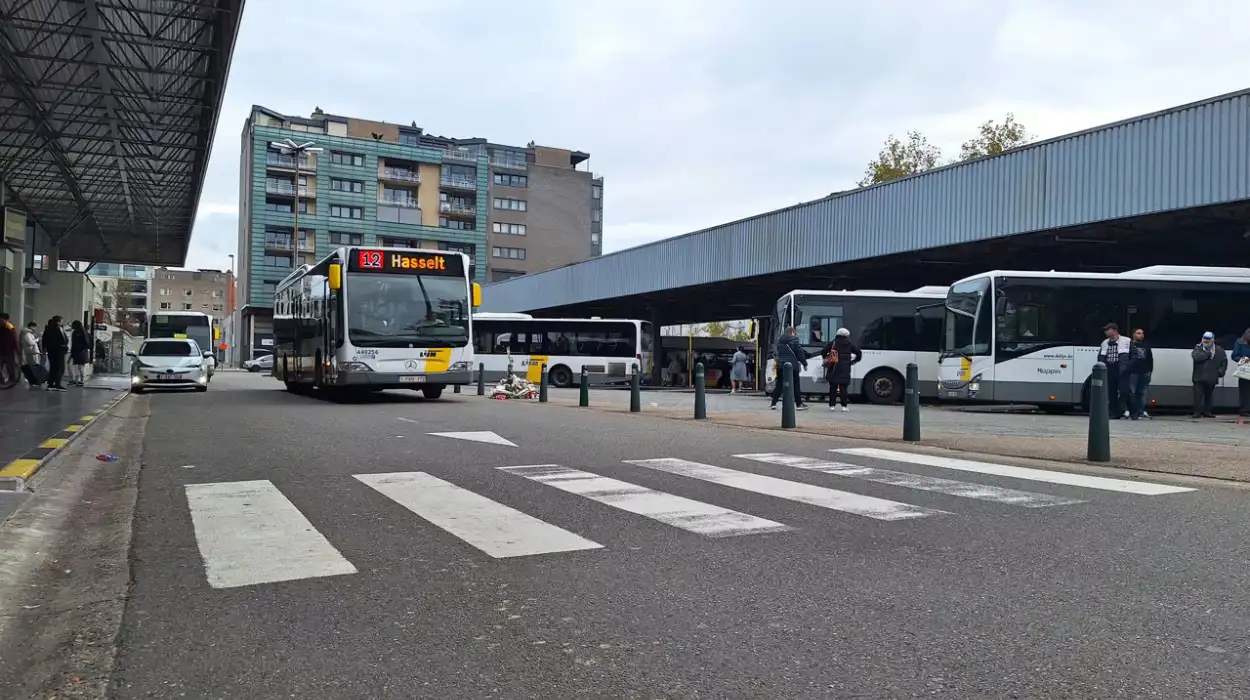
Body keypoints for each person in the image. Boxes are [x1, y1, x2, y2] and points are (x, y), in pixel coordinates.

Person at [821, 327, 862, 412]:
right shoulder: (849, 344)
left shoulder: (833, 343)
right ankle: (844, 406)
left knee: (833, 388)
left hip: (834, 367)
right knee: (843, 388)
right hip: (845, 368)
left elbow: (823, 351)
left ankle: (832, 406)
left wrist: (826, 357)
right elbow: (859, 352)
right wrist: (854, 361)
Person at [769, 326, 808, 411]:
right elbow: (799, 352)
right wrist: (804, 363)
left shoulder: (779, 340)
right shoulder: (794, 340)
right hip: (792, 366)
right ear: (792, 332)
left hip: (781, 365)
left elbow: (776, 353)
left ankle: (773, 403)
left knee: (779, 384)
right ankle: (799, 404)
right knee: (795, 385)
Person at [1190, 331, 1227, 419]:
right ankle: (1197, 412)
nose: (1205, 341)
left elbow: (1224, 362)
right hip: (1199, 377)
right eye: (1204, 339)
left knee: (1209, 395)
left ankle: (1207, 411)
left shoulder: (1219, 350)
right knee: (1198, 395)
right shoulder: (1198, 348)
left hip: (1211, 376)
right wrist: (1206, 354)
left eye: (1208, 339)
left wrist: (1220, 372)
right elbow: (1196, 357)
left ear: (1212, 340)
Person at [1096, 323, 1129, 418]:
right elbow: (1100, 356)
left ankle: (1124, 408)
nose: (1105, 332)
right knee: (1111, 392)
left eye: (1107, 329)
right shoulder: (1105, 342)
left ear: (1114, 330)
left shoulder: (1126, 341)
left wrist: (1128, 367)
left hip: (1121, 369)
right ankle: (1113, 412)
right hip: (1109, 369)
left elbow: (1133, 354)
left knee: (1124, 391)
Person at [1123, 328, 1154, 420]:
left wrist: (1149, 371)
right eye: (1138, 333)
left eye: (1142, 333)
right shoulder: (1129, 345)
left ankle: (1141, 411)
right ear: (1133, 335)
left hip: (1144, 372)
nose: (1141, 335)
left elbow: (1150, 359)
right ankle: (1133, 411)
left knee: (1142, 393)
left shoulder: (1146, 346)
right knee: (1132, 392)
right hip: (1133, 372)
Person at [42, 315, 68, 392]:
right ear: (58, 322)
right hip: (58, 351)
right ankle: (57, 384)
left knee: (53, 367)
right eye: (61, 321)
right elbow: (60, 340)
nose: (63, 322)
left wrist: (45, 348)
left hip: (52, 351)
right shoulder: (56, 329)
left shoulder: (48, 329)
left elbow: (44, 340)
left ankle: (51, 383)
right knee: (60, 368)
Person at [1231, 327, 1250, 425]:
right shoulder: (1240, 342)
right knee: (1244, 391)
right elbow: (1234, 355)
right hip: (1245, 370)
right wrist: (1243, 360)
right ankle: (1245, 410)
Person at [20, 321, 42, 390]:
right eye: (34, 326)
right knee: (33, 366)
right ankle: (33, 380)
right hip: (32, 352)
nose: (35, 328)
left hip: (33, 352)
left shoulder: (30, 334)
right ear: (31, 327)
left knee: (34, 365)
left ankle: (35, 380)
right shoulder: (27, 334)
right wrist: (37, 339)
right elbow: (31, 342)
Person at [69, 320, 90, 386]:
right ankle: (81, 380)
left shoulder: (75, 333)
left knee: (78, 367)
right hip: (81, 352)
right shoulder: (84, 332)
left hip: (78, 352)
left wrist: (73, 353)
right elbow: (87, 343)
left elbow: (73, 343)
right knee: (81, 367)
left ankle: (79, 380)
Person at [0, 312, 19, 388]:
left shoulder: (9, 326)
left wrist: (17, 349)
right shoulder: (7, 326)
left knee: (7, 366)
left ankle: (8, 380)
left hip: (6, 350)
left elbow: (15, 338)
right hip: (5, 350)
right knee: (6, 366)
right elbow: (15, 338)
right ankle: (7, 380)